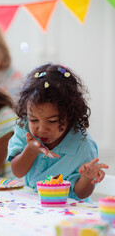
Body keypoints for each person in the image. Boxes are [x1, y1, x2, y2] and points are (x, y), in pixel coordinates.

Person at [7, 63, 109, 200]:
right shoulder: (24, 129)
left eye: (52, 121)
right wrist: (30, 150)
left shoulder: (82, 146)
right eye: (33, 120)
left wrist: (86, 177)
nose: (41, 129)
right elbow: (18, 172)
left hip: (69, 209)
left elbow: (81, 194)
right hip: (34, 204)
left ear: (70, 115)